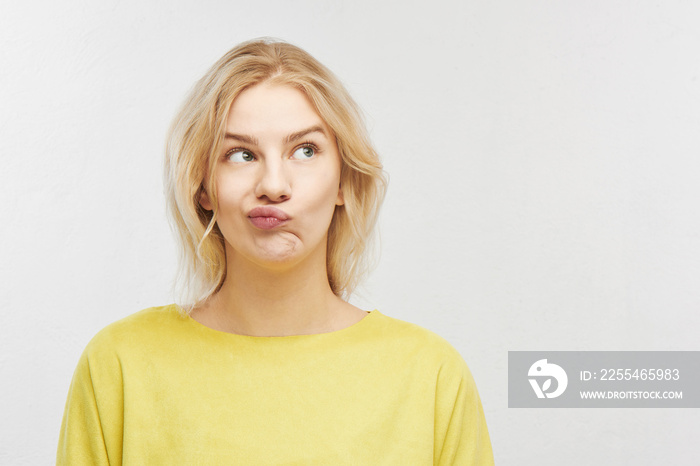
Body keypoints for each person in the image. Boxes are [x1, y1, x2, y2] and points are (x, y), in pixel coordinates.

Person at [57, 38, 494, 465]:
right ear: (203, 186)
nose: (273, 185)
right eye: (241, 154)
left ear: (343, 181)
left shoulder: (431, 376)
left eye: (305, 150)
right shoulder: (119, 365)